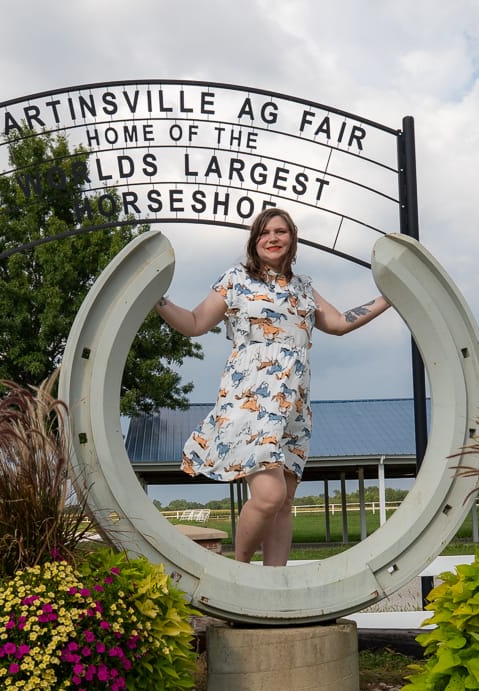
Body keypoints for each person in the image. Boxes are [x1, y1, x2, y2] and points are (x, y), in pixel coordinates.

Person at [155, 208, 392, 565]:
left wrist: (390, 296)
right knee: (269, 494)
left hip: (293, 405)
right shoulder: (236, 280)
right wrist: (156, 297)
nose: (273, 238)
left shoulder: (303, 287)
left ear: (292, 240)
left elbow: (341, 322)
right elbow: (193, 323)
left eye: (281, 231)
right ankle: (239, 572)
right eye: (265, 233)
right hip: (251, 397)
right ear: (254, 242)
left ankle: (273, 587)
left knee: (284, 502)